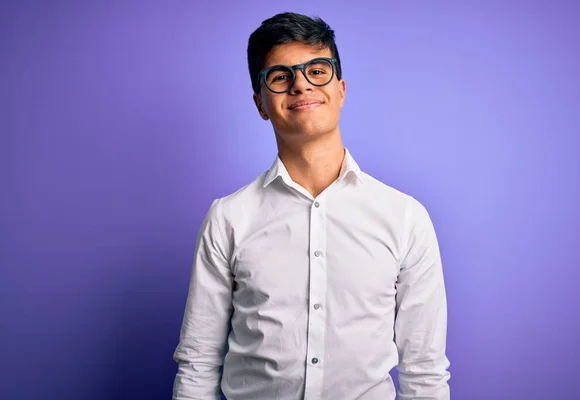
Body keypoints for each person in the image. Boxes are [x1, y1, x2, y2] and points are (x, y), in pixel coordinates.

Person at [172, 11, 450, 400]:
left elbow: (425, 369)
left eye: (317, 70)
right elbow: (199, 362)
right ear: (261, 103)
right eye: (281, 76)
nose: (301, 85)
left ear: (340, 89)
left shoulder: (405, 218)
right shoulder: (229, 219)